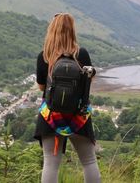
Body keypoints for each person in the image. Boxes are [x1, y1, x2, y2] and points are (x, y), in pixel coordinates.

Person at [34, 13, 101, 183]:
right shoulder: (82, 54)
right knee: (89, 161)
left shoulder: (44, 56)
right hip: (78, 116)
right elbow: (89, 80)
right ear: (72, 31)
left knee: (50, 164)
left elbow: (42, 86)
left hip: (51, 117)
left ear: (52, 30)